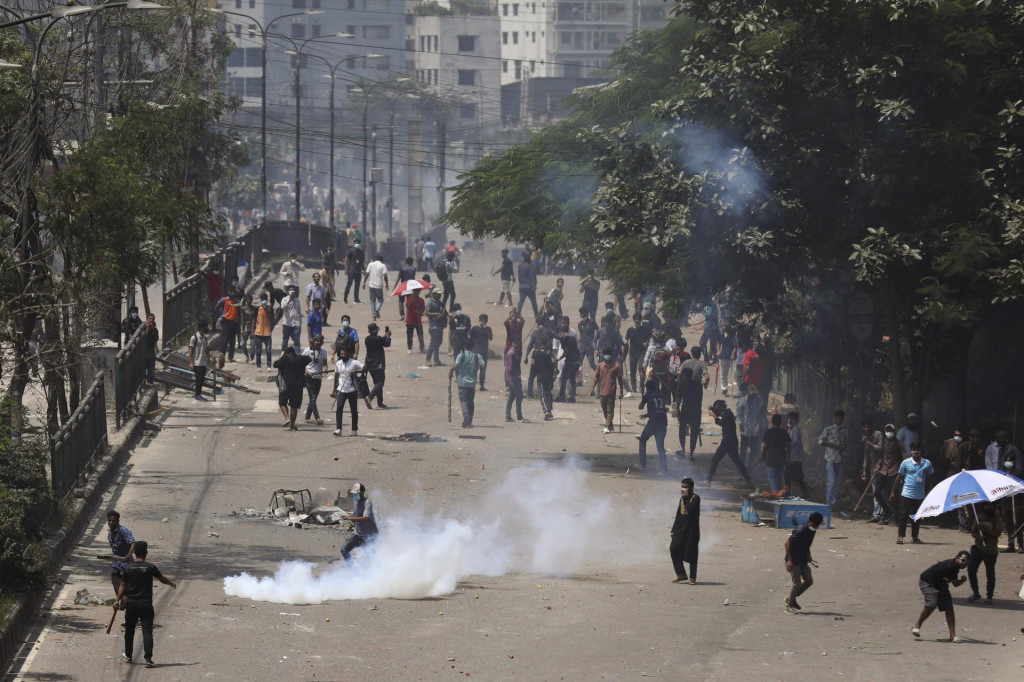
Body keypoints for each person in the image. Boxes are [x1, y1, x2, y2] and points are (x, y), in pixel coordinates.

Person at [113, 541, 176, 667]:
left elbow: (123, 585)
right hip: (146, 604)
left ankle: (128, 655)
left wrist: (117, 600)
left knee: (129, 631)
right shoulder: (150, 567)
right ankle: (148, 659)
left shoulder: (128, 568)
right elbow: (161, 578)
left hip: (132, 604)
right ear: (146, 553)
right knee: (147, 631)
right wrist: (171, 583)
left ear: (135, 553)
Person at [912, 551, 970, 643]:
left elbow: (948, 579)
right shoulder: (952, 566)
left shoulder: (954, 566)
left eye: (967, 563)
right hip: (927, 582)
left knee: (949, 608)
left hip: (940, 583)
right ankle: (917, 625)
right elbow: (955, 584)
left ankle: (952, 635)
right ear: (957, 557)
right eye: (963, 560)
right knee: (932, 604)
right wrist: (963, 580)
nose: (964, 564)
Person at [985, 430, 1024, 552]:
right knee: (1007, 519)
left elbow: (1019, 468)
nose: (999, 441)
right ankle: (1010, 543)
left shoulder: (1013, 449)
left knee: (1017, 518)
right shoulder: (1000, 450)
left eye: (1001, 439)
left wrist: (1011, 476)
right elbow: (1000, 468)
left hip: (1015, 491)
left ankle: (1021, 544)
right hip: (1004, 491)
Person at [892, 443, 934, 544]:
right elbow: (899, 477)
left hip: (920, 495)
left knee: (916, 517)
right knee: (903, 515)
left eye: (917, 449)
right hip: (907, 494)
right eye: (913, 450)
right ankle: (900, 536)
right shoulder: (905, 463)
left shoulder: (927, 463)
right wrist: (893, 491)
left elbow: (930, 478)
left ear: (921, 451)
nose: (915, 452)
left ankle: (914, 537)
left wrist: (930, 492)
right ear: (911, 451)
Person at [704, 399, 752, 486]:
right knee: (737, 461)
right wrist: (712, 409)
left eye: (717, 408)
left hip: (728, 441)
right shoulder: (727, 413)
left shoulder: (727, 415)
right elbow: (718, 413)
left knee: (715, 459)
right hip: (731, 440)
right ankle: (748, 480)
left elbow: (721, 423)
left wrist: (714, 416)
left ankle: (708, 481)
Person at [784, 511, 824, 613]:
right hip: (793, 560)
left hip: (802, 559)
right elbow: (787, 544)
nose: (817, 527)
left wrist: (809, 556)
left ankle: (791, 599)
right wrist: (789, 561)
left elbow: (806, 545)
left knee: (809, 581)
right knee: (796, 584)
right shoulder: (801, 531)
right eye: (816, 525)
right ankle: (789, 606)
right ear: (810, 522)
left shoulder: (812, 530)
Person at [865, 424, 905, 525]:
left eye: (890, 430)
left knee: (893, 496)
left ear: (894, 431)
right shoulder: (884, 443)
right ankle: (888, 512)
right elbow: (881, 457)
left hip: (895, 471)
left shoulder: (899, 443)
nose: (889, 432)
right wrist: (878, 466)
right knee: (877, 492)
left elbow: (905, 457)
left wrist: (904, 469)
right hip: (883, 470)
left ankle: (895, 518)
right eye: (887, 430)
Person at [966, 502, 1003, 605]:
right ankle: (975, 593)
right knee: (971, 569)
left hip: (990, 550)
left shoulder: (997, 518)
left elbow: (997, 533)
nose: (989, 507)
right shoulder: (979, 517)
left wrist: (984, 530)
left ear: (995, 506)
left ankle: (989, 596)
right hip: (978, 548)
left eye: (991, 505)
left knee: (990, 573)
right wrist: (979, 537)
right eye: (987, 505)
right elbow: (973, 531)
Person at [103, 511, 135, 622]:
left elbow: (133, 543)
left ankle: (132, 615)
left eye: (113, 520)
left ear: (118, 521)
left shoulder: (123, 531)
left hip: (127, 565)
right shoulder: (110, 533)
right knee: (119, 590)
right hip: (116, 565)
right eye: (109, 521)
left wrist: (128, 555)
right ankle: (126, 605)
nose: (111, 522)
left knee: (128, 591)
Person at [670, 478, 700, 584]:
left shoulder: (695, 498)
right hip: (680, 529)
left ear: (691, 487)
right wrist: (673, 529)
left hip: (692, 530)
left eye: (686, 487)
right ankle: (681, 574)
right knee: (673, 548)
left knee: (692, 553)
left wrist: (685, 497)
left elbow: (690, 510)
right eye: (682, 486)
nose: (683, 488)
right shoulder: (682, 499)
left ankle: (692, 577)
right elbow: (679, 515)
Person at [273, 346, 310, 430]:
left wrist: (281, 356)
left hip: (285, 385)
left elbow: (275, 364)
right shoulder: (300, 358)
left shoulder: (284, 358)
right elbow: (309, 359)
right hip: (298, 386)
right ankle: (292, 425)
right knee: (294, 406)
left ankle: (287, 418)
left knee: (282, 403)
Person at [332, 345, 365, 436]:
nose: (342, 355)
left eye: (344, 354)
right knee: (339, 409)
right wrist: (334, 388)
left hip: (352, 390)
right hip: (341, 390)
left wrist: (356, 372)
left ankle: (354, 430)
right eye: (341, 354)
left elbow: (364, 368)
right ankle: (339, 429)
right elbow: (336, 376)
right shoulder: (338, 363)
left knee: (353, 410)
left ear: (348, 354)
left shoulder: (354, 363)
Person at [818, 409, 848, 511]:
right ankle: (828, 503)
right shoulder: (828, 429)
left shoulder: (845, 431)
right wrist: (832, 446)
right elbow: (820, 441)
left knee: (838, 482)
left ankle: (834, 502)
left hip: (839, 459)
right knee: (831, 481)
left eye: (841, 419)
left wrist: (842, 447)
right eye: (837, 419)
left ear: (843, 420)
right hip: (830, 458)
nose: (839, 421)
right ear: (834, 419)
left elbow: (846, 445)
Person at [339, 483, 378, 561]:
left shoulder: (367, 503)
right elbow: (356, 514)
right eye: (354, 494)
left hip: (369, 536)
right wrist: (353, 525)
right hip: (358, 534)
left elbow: (365, 518)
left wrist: (349, 518)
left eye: (356, 494)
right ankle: (353, 571)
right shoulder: (355, 502)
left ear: (362, 493)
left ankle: (379, 572)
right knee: (344, 550)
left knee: (372, 558)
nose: (354, 496)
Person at [638, 380, 669, 474]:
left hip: (653, 423)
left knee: (642, 440)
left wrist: (643, 401)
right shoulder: (660, 394)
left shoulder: (648, 394)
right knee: (660, 446)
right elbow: (659, 409)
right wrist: (647, 415)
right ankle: (663, 468)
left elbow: (640, 407)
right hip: (663, 422)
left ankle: (642, 464)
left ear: (647, 388)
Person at [450, 345, 485, 428]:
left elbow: (456, 365)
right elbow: (483, 365)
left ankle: (466, 416)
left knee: (463, 401)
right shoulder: (477, 356)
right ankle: (469, 421)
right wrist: (481, 377)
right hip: (472, 383)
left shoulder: (461, 355)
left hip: (462, 383)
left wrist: (451, 371)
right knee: (470, 401)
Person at [591, 348, 624, 434]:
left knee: (610, 411)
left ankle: (606, 426)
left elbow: (620, 380)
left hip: (611, 392)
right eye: (606, 354)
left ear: (611, 355)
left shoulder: (616, 367)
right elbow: (596, 377)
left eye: (608, 354)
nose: (607, 356)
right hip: (602, 391)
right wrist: (592, 388)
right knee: (605, 410)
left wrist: (621, 392)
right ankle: (610, 425)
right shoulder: (600, 365)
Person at [736, 383, 767, 469]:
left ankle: (751, 466)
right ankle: (741, 467)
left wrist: (763, 427)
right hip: (745, 429)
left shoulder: (760, 400)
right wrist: (740, 424)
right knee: (743, 449)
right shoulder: (742, 401)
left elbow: (762, 415)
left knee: (754, 449)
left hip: (756, 429)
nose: (753, 396)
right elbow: (739, 415)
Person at [676, 367, 702, 460]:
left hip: (685, 410)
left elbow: (678, 399)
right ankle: (691, 453)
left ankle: (683, 449)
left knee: (682, 430)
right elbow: (700, 399)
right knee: (694, 432)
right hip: (696, 411)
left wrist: (677, 411)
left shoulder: (683, 384)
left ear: (683, 376)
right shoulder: (698, 385)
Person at [363, 323, 391, 408]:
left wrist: (385, 336)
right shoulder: (378, 339)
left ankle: (380, 402)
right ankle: (369, 397)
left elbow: (380, 341)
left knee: (377, 383)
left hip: (369, 364)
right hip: (378, 364)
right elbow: (386, 344)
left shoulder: (367, 339)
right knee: (380, 382)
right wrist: (388, 336)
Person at [302, 335, 329, 425]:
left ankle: (307, 417)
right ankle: (317, 418)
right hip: (308, 377)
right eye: (316, 341)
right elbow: (301, 364)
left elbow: (325, 364)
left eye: (320, 341)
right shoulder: (307, 351)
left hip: (318, 377)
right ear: (313, 341)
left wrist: (325, 369)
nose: (318, 343)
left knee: (313, 398)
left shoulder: (324, 352)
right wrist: (307, 372)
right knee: (312, 397)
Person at [761, 413, 792, 493]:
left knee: (772, 478)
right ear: (780, 422)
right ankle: (779, 493)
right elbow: (789, 446)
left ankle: (776, 494)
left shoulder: (768, 432)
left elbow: (765, 446)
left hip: (771, 458)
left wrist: (763, 455)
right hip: (781, 458)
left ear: (772, 422)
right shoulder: (784, 432)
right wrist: (788, 458)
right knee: (779, 478)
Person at [554, 317, 580, 402]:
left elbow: (566, 351)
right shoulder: (570, 337)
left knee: (563, 378)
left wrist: (558, 359)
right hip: (576, 360)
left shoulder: (564, 338)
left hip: (570, 361)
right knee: (572, 378)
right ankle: (572, 397)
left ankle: (562, 397)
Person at [624, 314, 652, 395]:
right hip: (632, 352)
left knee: (641, 368)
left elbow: (650, 338)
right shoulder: (630, 330)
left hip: (642, 352)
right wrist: (624, 351)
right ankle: (633, 387)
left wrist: (646, 343)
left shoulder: (645, 329)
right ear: (633, 320)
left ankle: (641, 385)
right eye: (636, 319)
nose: (637, 321)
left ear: (641, 320)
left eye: (639, 319)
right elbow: (626, 340)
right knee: (632, 371)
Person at [532, 338, 557, 421]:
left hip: (540, 375)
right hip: (549, 375)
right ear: (546, 343)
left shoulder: (535, 352)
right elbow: (553, 361)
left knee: (542, 394)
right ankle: (549, 409)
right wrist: (555, 370)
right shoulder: (549, 352)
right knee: (548, 392)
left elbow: (532, 363)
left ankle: (546, 412)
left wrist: (533, 374)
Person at [786, 412, 810, 498]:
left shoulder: (795, 429)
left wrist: (787, 444)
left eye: (792, 418)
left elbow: (795, 442)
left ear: (796, 420)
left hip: (796, 457)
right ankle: (787, 492)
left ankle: (805, 493)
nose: (790, 420)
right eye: (789, 418)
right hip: (792, 457)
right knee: (788, 475)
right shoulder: (790, 429)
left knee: (798, 477)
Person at [214, 290, 241, 362]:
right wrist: (221, 313)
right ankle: (221, 357)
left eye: (234, 292)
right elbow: (216, 307)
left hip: (234, 322)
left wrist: (238, 322)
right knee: (225, 339)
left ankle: (230, 357)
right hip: (226, 321)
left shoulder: (237, 300)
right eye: (231, 292)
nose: (233, 293)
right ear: (228, 292)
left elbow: (239, 310)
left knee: (232, 340)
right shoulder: (224, 299)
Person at [470, 314, 493, 391]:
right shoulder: (475, 329)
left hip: (484, 352)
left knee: (483, 370)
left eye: (485, 320)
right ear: (479, 320)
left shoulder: (488, 329)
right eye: (482, 320)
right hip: (475, 351)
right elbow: (470, 337)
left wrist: (485, 329)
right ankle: (472, 385)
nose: (483, 322)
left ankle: (482, 385)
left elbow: (490, 338)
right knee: (474, 369)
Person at [188, 320, 210, 401]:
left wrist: (209, 358)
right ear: (201, 328)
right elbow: (190, 351)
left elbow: (206, 349)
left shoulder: (205, 338)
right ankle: (197, 395)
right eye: (205, 327)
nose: (207, 328)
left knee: (201, 380)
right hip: (197, 363)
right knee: (198, 380)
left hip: (203, 362)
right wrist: (191, 362)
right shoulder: (194, 337)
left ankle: (198, 394)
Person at [505, 338, 526, 422]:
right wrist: (511, 381)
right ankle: (519, 416)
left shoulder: (515, 352)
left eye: (518, 343)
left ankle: (508, 415)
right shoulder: (511, 354)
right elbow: (509, 369)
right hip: (513, 378)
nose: (517, 345)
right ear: (512, 343)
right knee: (519, 396)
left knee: (512, 396)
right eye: (515, 343)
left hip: (516, 377)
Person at [363, 254, 389, 320]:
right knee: (380, 299)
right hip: (379, 285)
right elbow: (385, 275)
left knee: (372, 301)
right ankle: (378, 308)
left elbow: (367, 273)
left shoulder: (370, 264)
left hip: (371, 285)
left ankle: (374, 316)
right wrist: (387, 284)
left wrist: (364, 282)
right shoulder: (383, 265)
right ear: (381, 260)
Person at [425, 290, 447, 366]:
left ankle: (436, 360)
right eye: (438, 294)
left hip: (440, 326)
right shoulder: (430, 303)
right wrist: (436, 314)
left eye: (440, 294)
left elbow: (444, 312)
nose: (440, 296)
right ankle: (428, 359)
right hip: (433, 326)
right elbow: (426, 313)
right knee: (433, 343)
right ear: (434, 294)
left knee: (438, 342)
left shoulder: (440, 303)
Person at [253, 294, 274, 370]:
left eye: (265, 299)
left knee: (268, 350)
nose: (264, 300)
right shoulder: (257, 309)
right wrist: (253, 331)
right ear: (261, 300)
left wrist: (266, 310)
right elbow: (254, 320)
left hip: (267, 333)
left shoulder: (270, 308)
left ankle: (269, 366)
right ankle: (258, 366)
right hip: (258, 332)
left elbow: (272, 319)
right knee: (258, 351)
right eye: (263, 299)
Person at [280, 285, 303, 353]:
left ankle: (297, 356)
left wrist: (300, 322)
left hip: (296, 324)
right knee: (285, 341)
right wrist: (290, 299)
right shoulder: (284, 299)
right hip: (287, 323)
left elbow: (299, 311)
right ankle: (283, 354)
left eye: (293, 290)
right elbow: (282, 307)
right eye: (290, 290)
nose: (292, 291)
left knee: (297, 341)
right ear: (287, 291)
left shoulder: (297, 300)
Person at [516, 251, 539, 317]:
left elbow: (519, 276)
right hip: (529, 287)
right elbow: (532, 276)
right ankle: (536, 314)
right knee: (533, 302)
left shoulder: (520, 266)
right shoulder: (530, 266)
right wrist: (534, 285)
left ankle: (518, 313)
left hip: (522, 286)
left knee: (521, 301)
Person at [404, 288, 426, 353]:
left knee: (420, 335)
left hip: (418, 321)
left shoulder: (421, 300)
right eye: (415, 291)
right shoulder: (409, 298)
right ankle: (409, 348)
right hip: (410, 320)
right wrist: (413, 298)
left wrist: (420, 311)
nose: (417, 292)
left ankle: (422, 347)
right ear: (413, 291)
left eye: (418, 291)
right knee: (410, 335)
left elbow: (423, 310)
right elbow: (408, 306)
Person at [344, 239, 365, 303]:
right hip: (351, 270)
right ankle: (345, 297)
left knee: (357, 286)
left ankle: (356, 299)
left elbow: (362, 262)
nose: (357, 243)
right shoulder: (350, 251)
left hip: (358, 271)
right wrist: (346, 268)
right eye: (356, 242)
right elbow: (346, 259)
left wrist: (364, 270)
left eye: (358, 242)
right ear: (354, 243)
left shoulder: (361, 252)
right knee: (349, 284)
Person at [142, 313, 159, 385]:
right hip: (143, 354)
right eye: (150, 318)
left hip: (151, 354)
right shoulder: (143, 328)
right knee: (142, 370)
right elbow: (143, 338)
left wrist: (152, 330)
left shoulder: (155, 330)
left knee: (151, 371)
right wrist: (147, 330)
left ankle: (150, 383)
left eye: (152, 319)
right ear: (147, 319)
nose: (151, 320)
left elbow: (155, 339)